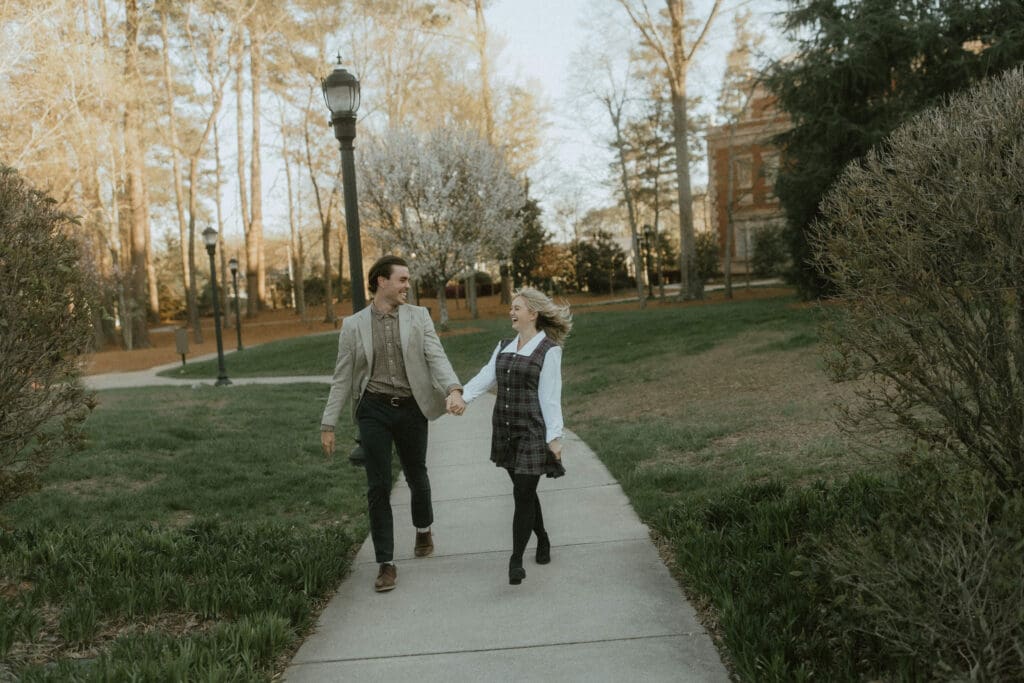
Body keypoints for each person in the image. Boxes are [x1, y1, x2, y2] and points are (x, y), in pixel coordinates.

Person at [321, 255, 465, 593]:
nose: (407, 286)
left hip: (412, 407)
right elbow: (342, 378)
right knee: (378, 485)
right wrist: (329, 423)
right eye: (402, 279)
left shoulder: (419, 317)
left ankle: (423, 528)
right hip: (374, 409)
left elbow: (436, 356)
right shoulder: (353, 325)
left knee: (416, 473)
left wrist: (453, 389)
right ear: (380, 281)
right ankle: (385, 563)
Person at [451, 287, 572, 585]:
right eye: (512, 308)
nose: (511, 313)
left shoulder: (549, 350)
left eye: (517, 308)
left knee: (522, 494)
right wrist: (463, 397)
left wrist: (554, 437)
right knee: (525, 491)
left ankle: (516, 560)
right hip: (505, 430)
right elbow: (486, 376)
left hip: (531, 431)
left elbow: (551, 396)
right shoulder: (504, 345)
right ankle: (542, 537)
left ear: (533, 313)